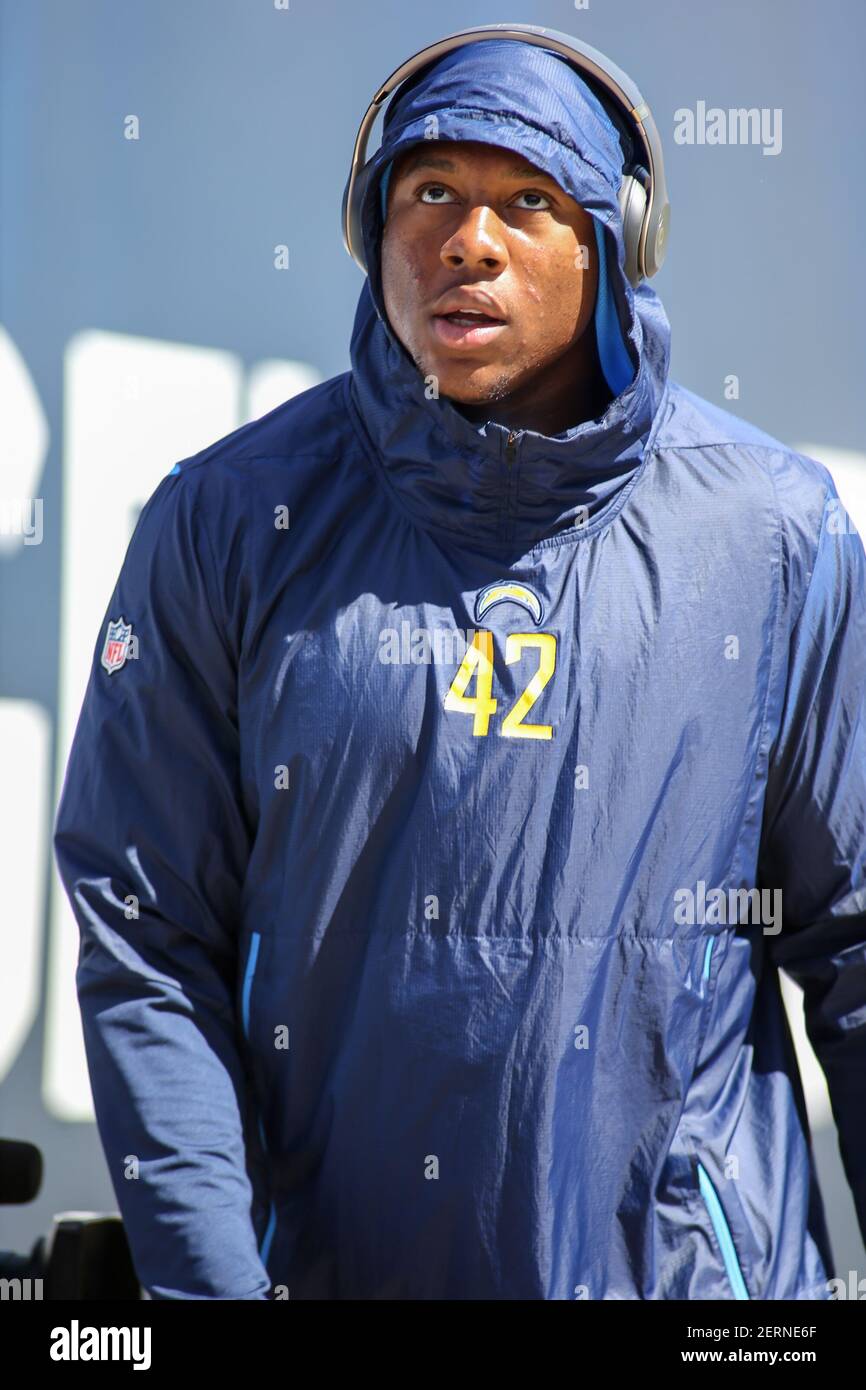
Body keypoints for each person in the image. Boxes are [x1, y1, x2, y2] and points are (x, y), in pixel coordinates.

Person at [53, 29, 866, 1301]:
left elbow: (856, 941)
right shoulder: (226, 518)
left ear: (616, 245)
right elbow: (150, 936)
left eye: (526, 201)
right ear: (368, 230)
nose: (469, 242)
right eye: (430, 193)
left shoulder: (772, 532)